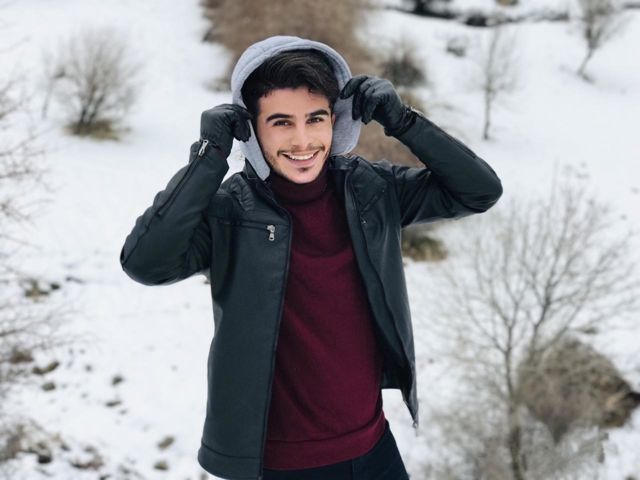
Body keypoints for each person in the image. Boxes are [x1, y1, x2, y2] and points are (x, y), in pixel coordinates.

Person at [119, 35, 503, 480]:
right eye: (281, 122)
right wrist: (209, 157)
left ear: (334, 120)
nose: (302, 141)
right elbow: (144, 262)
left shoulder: (371, 190)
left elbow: (479, 191)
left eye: (315, 119)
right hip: (282, 466)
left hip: (375, 449)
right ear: (252, 129)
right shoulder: (230, 212)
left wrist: (403, 121)